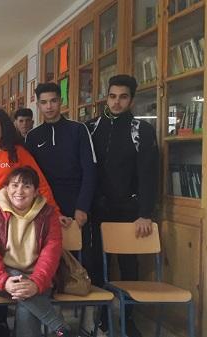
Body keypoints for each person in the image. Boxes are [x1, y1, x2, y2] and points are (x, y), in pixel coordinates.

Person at [86, 74, 158, 337]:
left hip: (130, 211)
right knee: (95, 265)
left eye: (123, 97)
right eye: (112, 96)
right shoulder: (91, 127)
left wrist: (145, 213)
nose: (116, 102)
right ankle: (102, 320)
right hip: (96, 210)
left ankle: (128, 320)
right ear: (107, 96)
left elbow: (150, 175)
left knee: (129, 267)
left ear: (132, 100)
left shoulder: (142, 129)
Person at [0, 166, 75, 337]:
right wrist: (4, 280)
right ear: (6, 188)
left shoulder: (48, 214)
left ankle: (61, 330)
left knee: (25, 298)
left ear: (36, 191)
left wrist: (37, 282)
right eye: (14, 185)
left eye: (27, 186)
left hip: (39, 276)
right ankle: (61, 328)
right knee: (22, 288)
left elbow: (51, 253)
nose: (19, 191)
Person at [0, 107, 60, 222]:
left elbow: (40, 184)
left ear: (3, 127)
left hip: (12, 215)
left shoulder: (18, 153)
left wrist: (55, 213)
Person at [25, 82, 96, 231]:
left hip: (76, 204)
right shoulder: (32, 136)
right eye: (44, 102)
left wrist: (83, 206)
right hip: (43, 205)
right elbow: (29, 176)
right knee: (47, 253)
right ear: (38, 105)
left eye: (53, 101)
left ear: (61, 101)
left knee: (77, 253)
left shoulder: (78, 129)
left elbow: (90, 170)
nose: (49, 106)